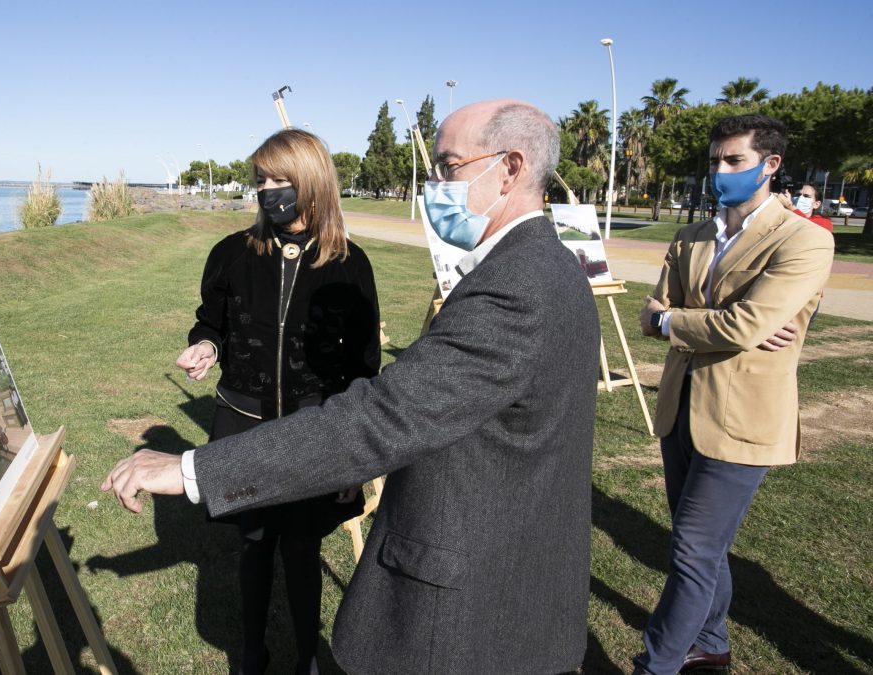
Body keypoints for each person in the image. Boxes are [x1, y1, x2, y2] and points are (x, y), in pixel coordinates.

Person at [104, 100, 600, 674]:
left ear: (510, 168)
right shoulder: (550, 267)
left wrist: (190, 469)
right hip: (506, 581)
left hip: (468, 612)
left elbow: (382, 414)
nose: (433, 184)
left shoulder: (516, 286)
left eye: (447, 165)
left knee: (300, 548)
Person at [174, 128, 380, 675]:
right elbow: (211, 321)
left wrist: (351, 453)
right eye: (261, 179)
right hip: (243, 420)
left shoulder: (350, 265)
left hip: (316, 427)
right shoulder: (231, 254)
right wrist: (205, 346)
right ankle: (251, 652)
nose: (267, 190)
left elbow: (363, 365)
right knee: (256, 540)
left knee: (301, 544)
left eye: (280, 180)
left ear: (311, 185)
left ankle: (308, 657)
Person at [637, 115, 834, 675]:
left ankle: (658, 664)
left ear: (769, 166)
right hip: (680, 410)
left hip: (744, 420)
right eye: (715, 161)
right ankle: (712, 643)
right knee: (701, 544)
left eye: (734, 162)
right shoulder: (690, 236)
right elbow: (652, 317)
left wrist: (683, 320)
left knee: (692, 553)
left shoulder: (806, 238)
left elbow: (744, 325)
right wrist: (705, 322)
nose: (720, 172)